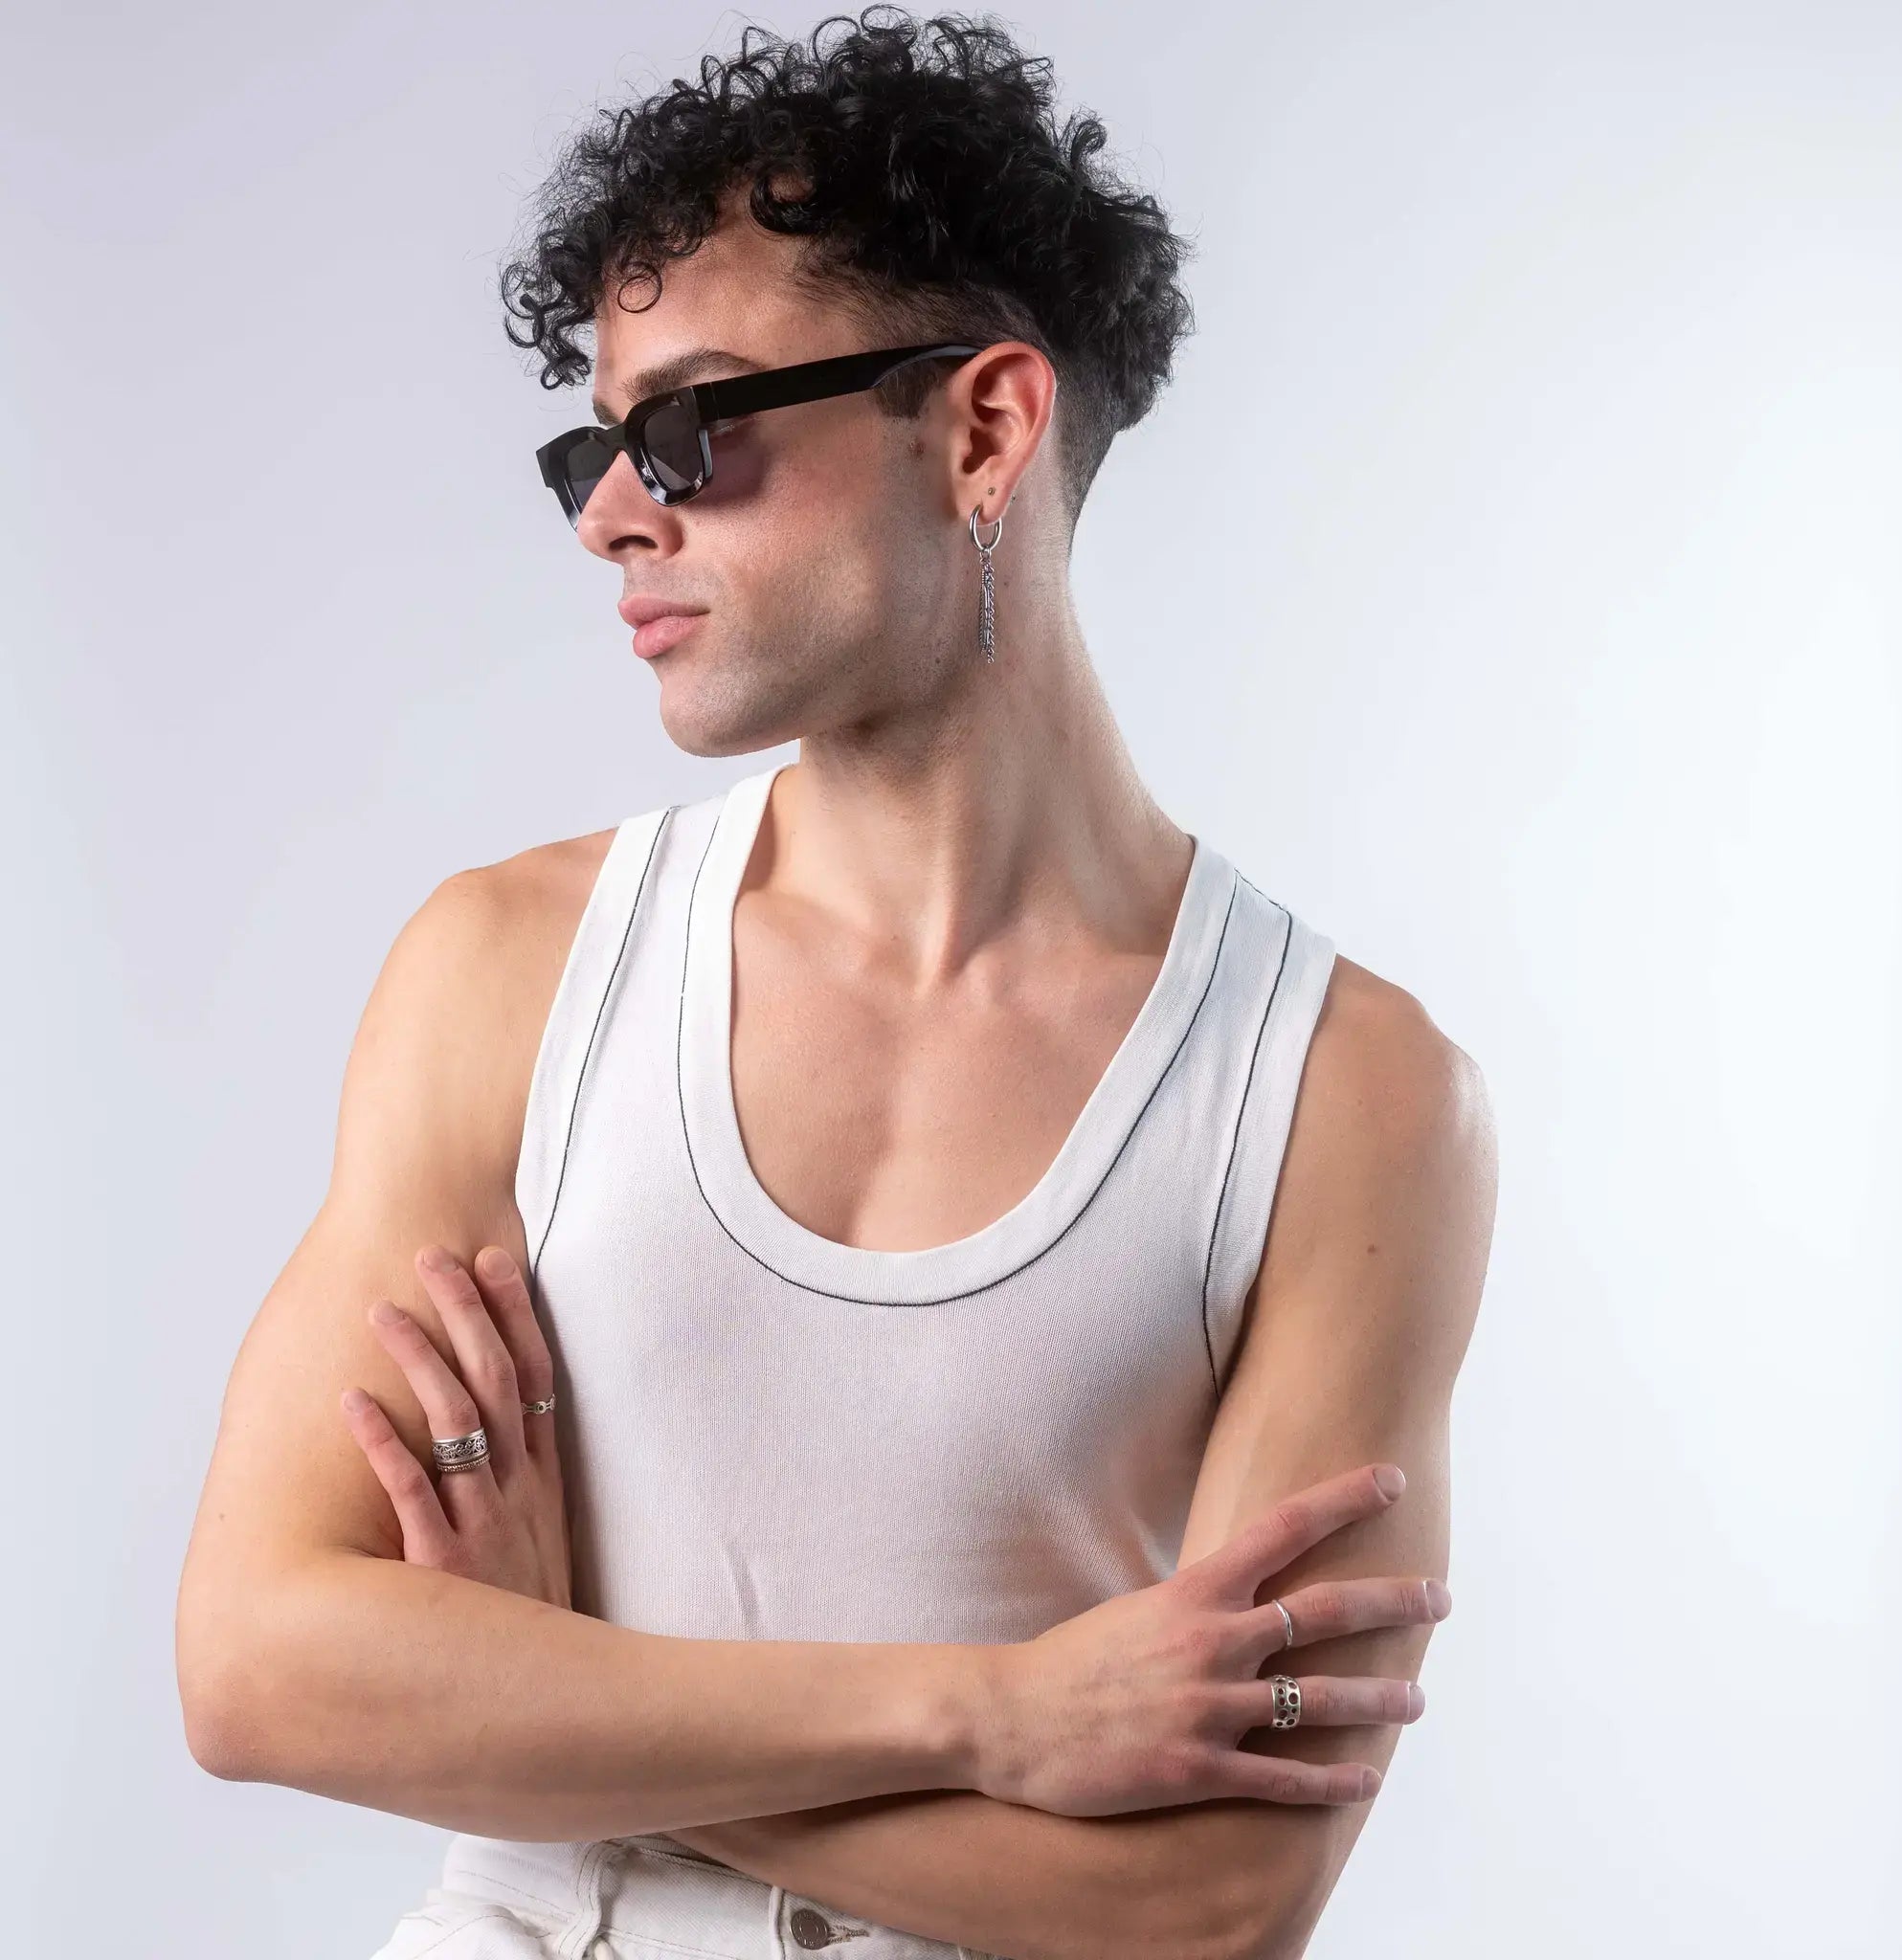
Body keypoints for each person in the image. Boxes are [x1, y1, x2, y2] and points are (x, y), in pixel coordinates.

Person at [175, 10, 1496, 1957]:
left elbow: (1215, 1898)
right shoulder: (509, 970)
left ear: (980, 429)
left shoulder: (1344, 1093)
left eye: (693, 427)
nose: (613, 513)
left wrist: (542, 1689)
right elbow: (255, 1666)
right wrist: (993, 1714)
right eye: (594, 445)